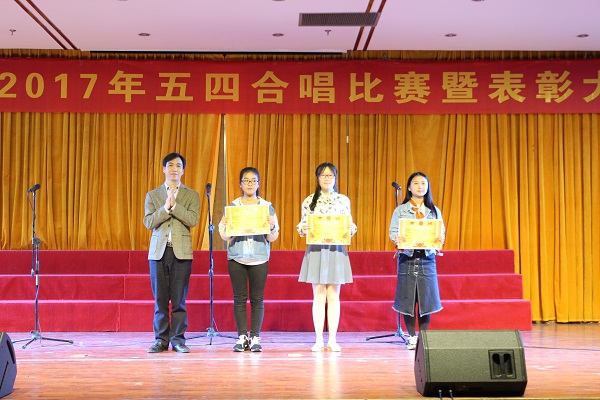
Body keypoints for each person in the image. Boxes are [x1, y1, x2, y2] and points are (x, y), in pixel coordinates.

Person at [296, 162, 357, 352]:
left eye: (330, 175)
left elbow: (349, 226)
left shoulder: (343, 200)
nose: (327, 178)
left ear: (335, 178)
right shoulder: (309, 200)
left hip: (336, 250)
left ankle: (332, 340)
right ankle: (318, 340)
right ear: (317, 178)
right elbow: (301, 226)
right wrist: (303, 227)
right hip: (316, 250)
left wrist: (352, 228)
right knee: (319, 295)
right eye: (323, 175)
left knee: (334, 296)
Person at [143, 152, 200, 353]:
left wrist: (175, 207)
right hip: (158, 253)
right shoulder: (153, 195)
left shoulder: (191, 195)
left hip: (181, 253)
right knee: (160, 299)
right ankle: (161, 340)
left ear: (183, 171)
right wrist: (165, 209)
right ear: (163, 169)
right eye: (170, 165)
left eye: (178, 166)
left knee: (178, 300)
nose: (174, 169)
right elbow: (149, 221)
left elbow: (192, 219)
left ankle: (178, 340)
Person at [218, 167, 279, 352]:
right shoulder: (233, 207)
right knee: (239, 298)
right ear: (240, 184)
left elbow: (272, 237)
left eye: (253, 180)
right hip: (237, 258)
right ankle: (242, 337)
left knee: (257, 299)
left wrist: (272, 226)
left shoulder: (266, 207)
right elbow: (224, 236)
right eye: (246, 180)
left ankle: (255, 337)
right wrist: (225, 226)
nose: (250, 184)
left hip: (259, 258)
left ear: (258, 184)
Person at [388, 171, 445, 350]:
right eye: (416, 183)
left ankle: (424, 337)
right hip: (407, 257)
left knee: (426, 298)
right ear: (409, 187)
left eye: (423, 183)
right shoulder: (400, 210)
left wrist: (439, 240)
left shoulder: (434, 211)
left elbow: (440, 232)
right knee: (408, 299)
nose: (420, 186)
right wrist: (397, 238)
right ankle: (412, 337)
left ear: (427, 187)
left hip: (427, 258)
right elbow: (393, 231)